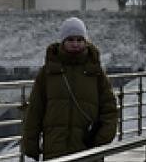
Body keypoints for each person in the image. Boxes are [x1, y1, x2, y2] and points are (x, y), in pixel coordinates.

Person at [22, 17, 117, 160]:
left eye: (79, 40)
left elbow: (109, 109)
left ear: (85, 42)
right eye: (70, 40)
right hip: (55, 148)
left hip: (87, 148)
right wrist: (30, 143)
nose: (75, 44)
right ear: (63, 42)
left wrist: (101, 139)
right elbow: (35, 109)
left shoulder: (96, 72)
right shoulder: (48, 72)